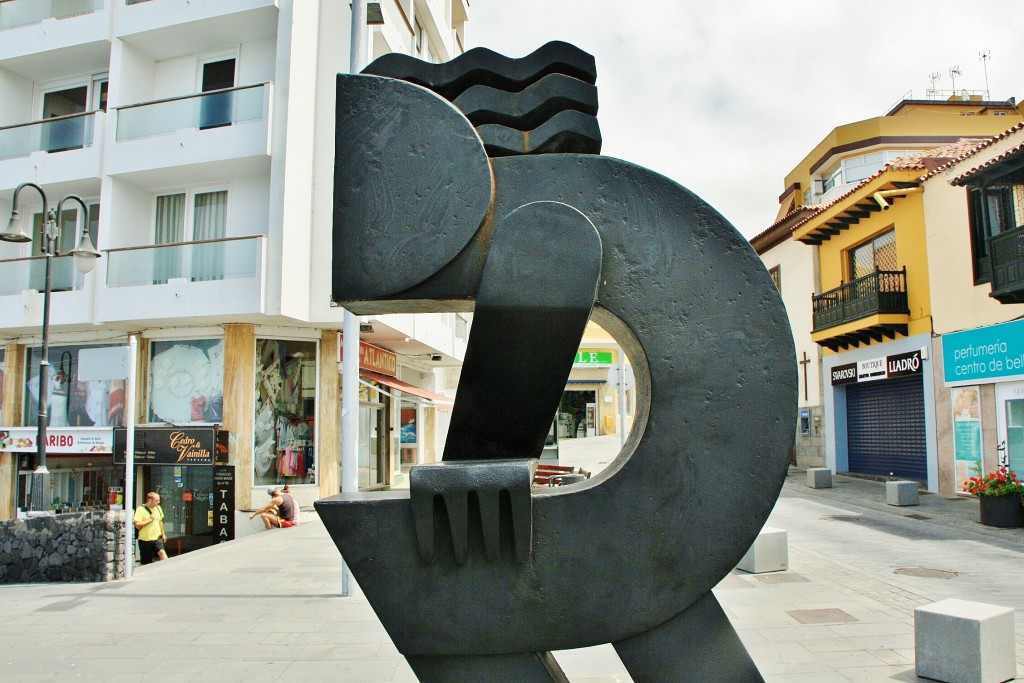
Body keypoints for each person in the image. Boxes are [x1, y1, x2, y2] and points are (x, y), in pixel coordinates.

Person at [134, 492, 168, 564]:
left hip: (157, 537)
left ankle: (168, 568)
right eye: (156, 501)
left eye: (159, 500)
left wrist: (163, 534)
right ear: (150, 500)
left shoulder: (158, 508)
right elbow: (137, 525)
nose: (158, 502)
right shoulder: (140, 509)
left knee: (162, 553)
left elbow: (160, 522)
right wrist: (150, 519)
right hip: (145, 539)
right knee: (146, 561)